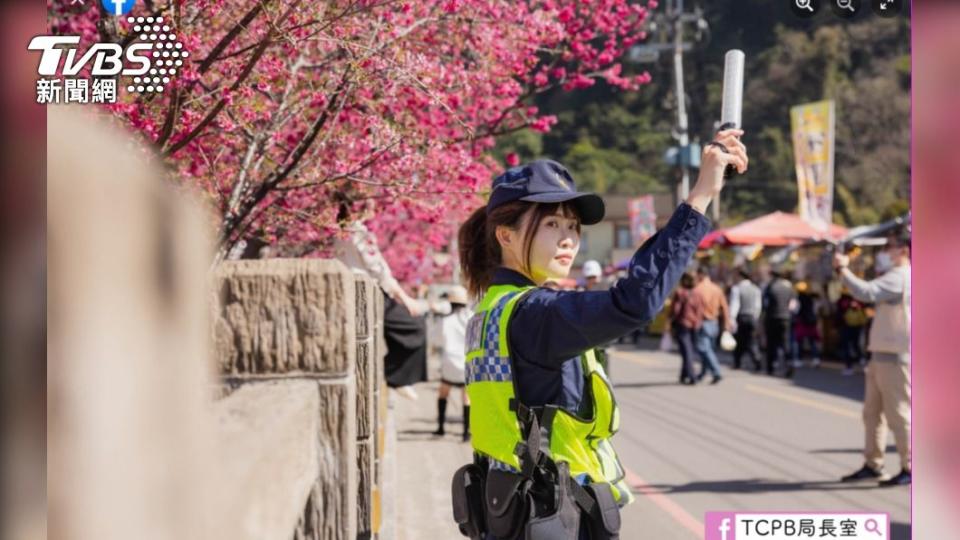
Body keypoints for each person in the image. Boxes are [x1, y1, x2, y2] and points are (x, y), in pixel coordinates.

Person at [451, 130, 747, 539]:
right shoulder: (534, 312)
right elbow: (634, 302)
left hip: (510, 509)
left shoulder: (491, 310)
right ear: (506, 235)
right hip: (555, 513)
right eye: (551, 224)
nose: (568, 238)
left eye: (572, 225)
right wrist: (699, 199)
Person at [836, 230, 912, 487]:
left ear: (903, 250)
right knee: (872, 414)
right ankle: (873, 463)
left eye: (890, 246)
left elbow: (866, 292)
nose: (886, 251)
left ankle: (910, 466)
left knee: (899, 415)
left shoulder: (901, 277)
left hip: (895, 356)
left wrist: (844, 271)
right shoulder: (898, 276)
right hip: (881, 353)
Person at [434, 286, 474, 441]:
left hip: (449, 362)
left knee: (443, 393)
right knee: (466, 398)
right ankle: (465, 432)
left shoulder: (445, 320)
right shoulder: (472, 317)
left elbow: (437, 341)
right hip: (466, 362)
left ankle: (441, 428)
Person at [692, 265, 729, 384]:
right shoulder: (716, 288)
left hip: (703, 322)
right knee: (708, 349)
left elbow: (694, 309)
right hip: (714, 323)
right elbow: (724, 308)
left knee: (705, 349)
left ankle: (716, 372)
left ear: (700, 275)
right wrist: (726, 324)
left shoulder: (698, 289)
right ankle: (703, 373)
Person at [669, 272, 703, 385]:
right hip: (695, 325)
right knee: (688, 350)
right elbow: (699, 310)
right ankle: (684, 375)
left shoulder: (680, 292)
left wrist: (670, 322)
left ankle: (691, 375)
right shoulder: (697, 293)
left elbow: (675, 310)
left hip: (683, 325)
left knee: (687, 351)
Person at [762, 269, 797, 377]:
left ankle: (771, 367)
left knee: (771, 343)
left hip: (772, 318)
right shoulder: (788, 288)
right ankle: (789, 362)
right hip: (785, 318)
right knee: (785, 342)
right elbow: (793, 305)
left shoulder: (770, 287)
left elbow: (765, 304)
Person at [728, 267, 763, 371]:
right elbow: (758, 306)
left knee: (741, 341)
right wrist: (755, 318)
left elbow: (735, 305)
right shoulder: (755, 289)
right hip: (752, 317)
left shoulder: (737, 288)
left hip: (742, 317)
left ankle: (740, 361)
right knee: (749, 340)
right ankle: (755, 360)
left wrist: (732, 319)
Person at [836, 286, 867, 375]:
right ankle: (862, 360)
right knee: (855, 344)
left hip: (845, 326)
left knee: (846, 347)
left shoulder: (841, 301)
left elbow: (838, 314)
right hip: (857, 326)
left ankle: (849, 366)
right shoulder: (857, 300)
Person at [791, 281, 822, 368]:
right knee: (812, 342)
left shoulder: (797, 299)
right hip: (811, 323)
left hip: (801, 323)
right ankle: (816, 359)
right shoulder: (811, 299)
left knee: (799, 342)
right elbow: (816, 310)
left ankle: (798, 359)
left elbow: (794, 310)